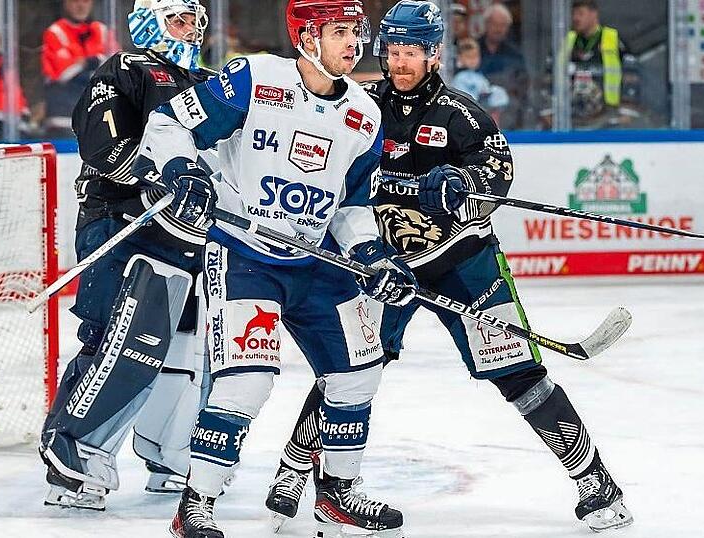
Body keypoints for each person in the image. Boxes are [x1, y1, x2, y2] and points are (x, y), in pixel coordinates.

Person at [264, 1, 634, 534]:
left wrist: (469, 187)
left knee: (520, 375)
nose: (399, 62)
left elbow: (497, 171)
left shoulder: (461, 113)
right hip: (386, 266)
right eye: (392, 51)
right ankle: (295, 470)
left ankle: (595, 484)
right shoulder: (362, 107)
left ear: (433, 53)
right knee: (347, 371)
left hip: (463, 259)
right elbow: (335, 173)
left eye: (410, 52)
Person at [138, 1, 418, 536]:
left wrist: (371, 254)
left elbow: (353, 204)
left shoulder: (364, 113)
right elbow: (168, 122)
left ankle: (337, 494)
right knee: (248, 382)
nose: (353, 44)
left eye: (356, 32)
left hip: (315, 261)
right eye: (340, 32)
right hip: (245, 255)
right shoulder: (253, 78)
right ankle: (196, 502)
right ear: (307, 36)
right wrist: (181, 171)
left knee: (359, 373)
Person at [38, 0, 215, 510]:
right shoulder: (125, 69)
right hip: (121, 223)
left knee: (186, 346)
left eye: (194, 22)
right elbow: (102, 146)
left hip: (187, 232)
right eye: (177, 20)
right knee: (117, 337)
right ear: (148, 21)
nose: (189, 31)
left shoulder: (208, 84)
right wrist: (160, 177)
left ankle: (173, 455)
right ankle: (73, 457)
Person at [41, 0, 115, 137]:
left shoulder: (101, 30)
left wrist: (84, 64)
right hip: (64, 117)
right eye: (75, 1)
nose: (81, 5)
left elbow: (116, 68)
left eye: (85, 1)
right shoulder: (55, 32)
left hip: (99, 115)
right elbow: (65, 75)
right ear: (65, 3)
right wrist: (97, 63)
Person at [564, 0, 632, 122]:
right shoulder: (567, 40)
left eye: (580, 13)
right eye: (573, 14)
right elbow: (550, 75)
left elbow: (631, 75)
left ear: (593, 14)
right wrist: (549, 110)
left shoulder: (612, 38)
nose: (575, 18)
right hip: (571, 115)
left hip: (607, 113)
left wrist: (626, 109)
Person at [476, 3, 527, 128]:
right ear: (486, 24)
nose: (499, 29)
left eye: (503, 25)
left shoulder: (514, 53)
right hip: (476, 108)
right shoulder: (474, 49)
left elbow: (523, 84)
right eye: (495, 24)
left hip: (507, 113)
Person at [453, 38, 509, 117]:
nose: (473, 60)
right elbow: (465, 102)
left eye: (475, 56)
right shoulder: (459, 78)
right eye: (468, 57)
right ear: (460, 58)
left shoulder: (479, 76)